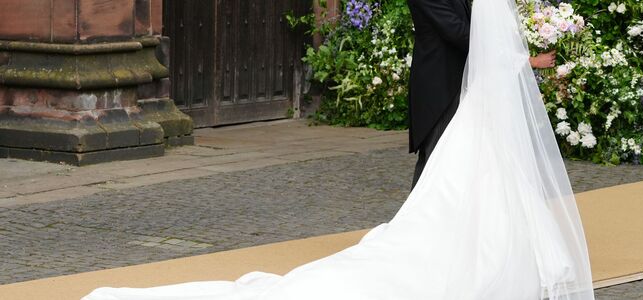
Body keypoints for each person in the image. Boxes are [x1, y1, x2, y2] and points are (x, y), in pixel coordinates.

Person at [83, 0, 593, 298]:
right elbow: (456, 29)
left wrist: (523, 36)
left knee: (477, 175)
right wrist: (518, 49)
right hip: (445, 87)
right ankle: (443, 249)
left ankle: (498, 245)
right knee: (445, 181)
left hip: (479, 92)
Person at [407, 0, 556, 188]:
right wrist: (519, 58)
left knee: (459, 159)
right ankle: (422, 216)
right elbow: (458, 32)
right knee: (436, 159)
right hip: (440, 89)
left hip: (464, 83)